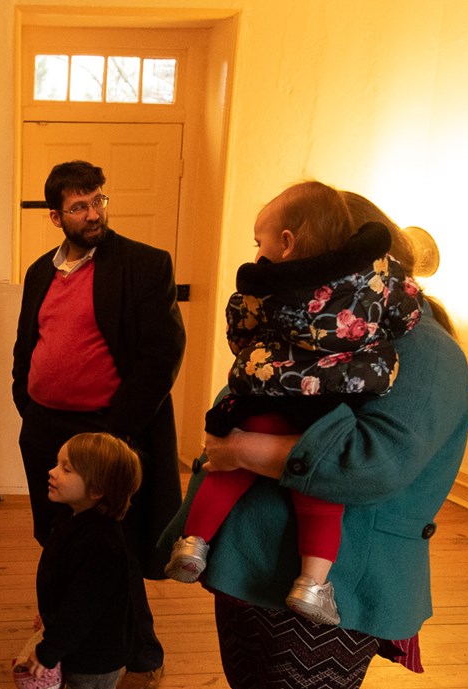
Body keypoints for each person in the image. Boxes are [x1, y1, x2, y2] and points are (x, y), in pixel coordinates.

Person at [163, 186, 468, 689]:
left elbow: (374, 463)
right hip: (249, 560)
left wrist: (246, 450)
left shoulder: (428, 353)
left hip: (338, 578)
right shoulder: (308, 324)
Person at [163, 182, 422, 626]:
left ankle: (193, 542)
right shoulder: (378, 276)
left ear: (286, 242)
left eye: (259, 241)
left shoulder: (261, 286)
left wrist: (260, 349)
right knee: (320, 492)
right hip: (334, 401)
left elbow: (239, 331)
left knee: (230, 463)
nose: (257, 250)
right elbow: (407, 312)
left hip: (269, 390)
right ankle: (312, 584)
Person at [12, 159, 186, 689]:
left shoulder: (142, 265)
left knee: (114, 551)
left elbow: (162, 357)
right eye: (80, 206)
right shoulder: (41, 270)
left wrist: (114, 434)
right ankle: (63, 643)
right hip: (45, 428)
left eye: (99, 201)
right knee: (57, 542)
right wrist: (27, 398)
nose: (93, 213)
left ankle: (143, 655)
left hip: (103, 435)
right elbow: (27, 343)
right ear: (56, 216)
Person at [25, 432, 146, 689]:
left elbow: (84, 608)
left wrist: (49, 649)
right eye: (58, 463)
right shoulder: (77, 520)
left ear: (96, 490)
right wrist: (51, 617)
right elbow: (70, 590)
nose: (52, 472)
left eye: (66, 468)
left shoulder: (101, 543)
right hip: (89, 645)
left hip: (95, 651)